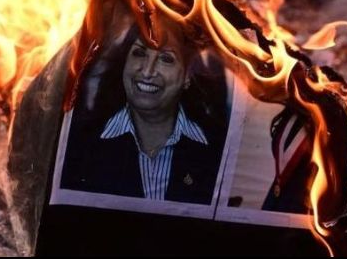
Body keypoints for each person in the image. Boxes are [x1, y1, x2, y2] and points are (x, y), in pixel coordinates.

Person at [60, 20, 228, 205]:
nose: (147, 71)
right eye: (139, 53)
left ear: (187, 76)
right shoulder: (80, 145)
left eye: (166, 59)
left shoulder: (218, 149)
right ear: (124, 63)